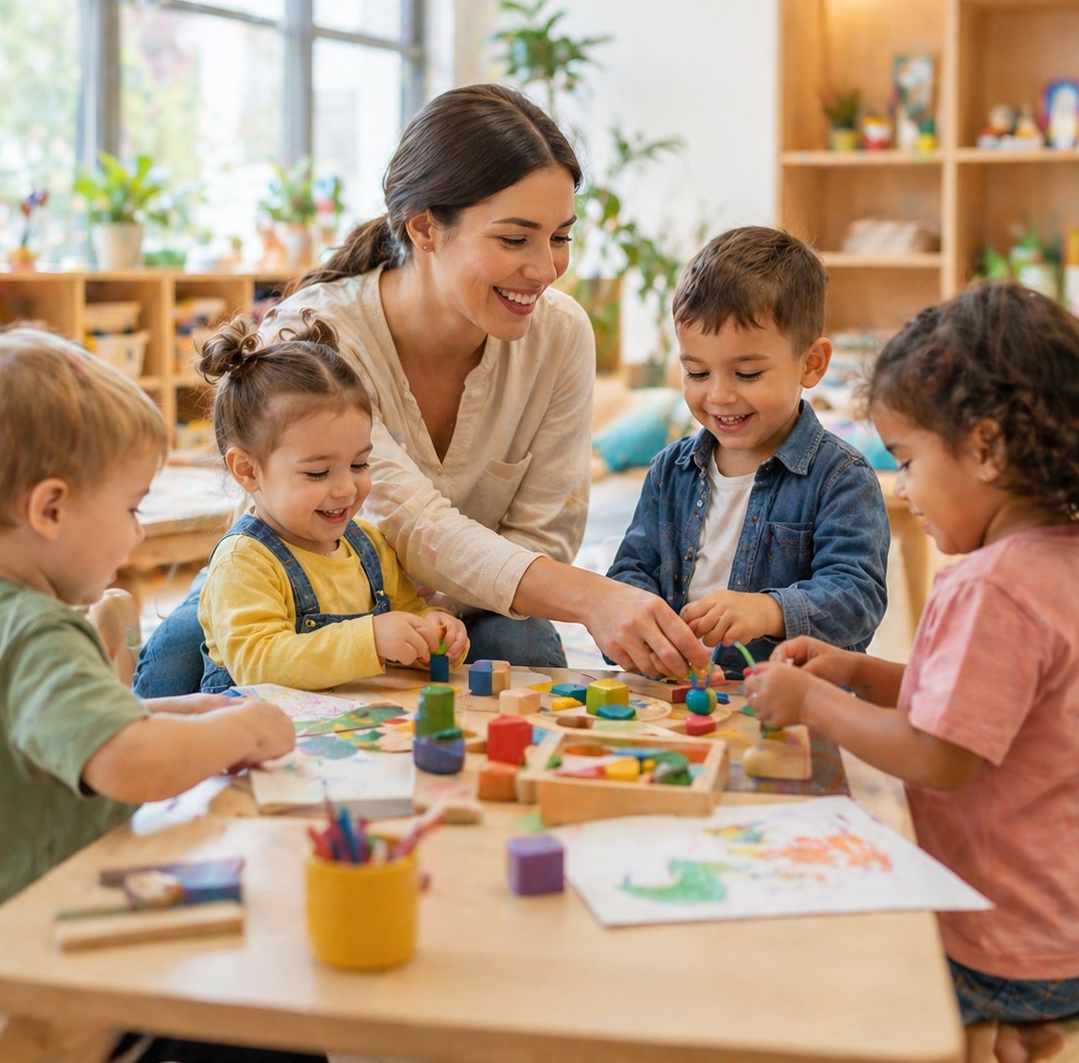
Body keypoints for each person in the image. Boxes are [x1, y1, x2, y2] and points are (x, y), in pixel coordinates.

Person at [134, 83, 706, 698]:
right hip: (294, 577)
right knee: (173, 663)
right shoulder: (313, 333)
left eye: (559, 236)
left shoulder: (561, 334)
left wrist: (434, 612)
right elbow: (406, 520)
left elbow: (545, 536)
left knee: (521, 650)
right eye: (515, 239)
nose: (545, 268)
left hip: (459, 604)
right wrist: (592, 597)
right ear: (426, 229)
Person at [0, 330, 316, 1063]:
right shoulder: (37, 633)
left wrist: (184, 712)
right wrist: (241, 731)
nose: (136, 532)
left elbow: (42, 735)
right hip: (33, 969)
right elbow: (127, 765)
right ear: (50, 510)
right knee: (271, 1020)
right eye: (130, 508)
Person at [745, 282, 1079, 1062]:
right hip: (1054, 917)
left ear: (988, 448)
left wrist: (811, 705)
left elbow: (942, 754)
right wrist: (859, 672)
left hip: (992, 925)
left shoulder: (990, 585)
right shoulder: (1057, 560)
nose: (902, 489)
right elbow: (996, 709)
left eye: (908, 460)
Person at [607, 226, 889, 676]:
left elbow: (857, 598)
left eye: (748, 374)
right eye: (697, 373)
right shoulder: (668, 471)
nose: (719, 396)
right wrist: (640, 622)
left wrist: (768, 611)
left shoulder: (842, 477)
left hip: (794, 705)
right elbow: (631, 570)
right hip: (679, 693)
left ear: (811, 364)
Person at [195, 312, 468, 691]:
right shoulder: (244, 562)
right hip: (259, 739)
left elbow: (409, 613)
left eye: (359, 464)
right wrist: (370, 638)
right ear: (248, 470)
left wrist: (434, 630)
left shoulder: (369, 545)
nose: (345, 488)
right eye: (318, 473)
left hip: (347, 732)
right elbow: (257, 665)